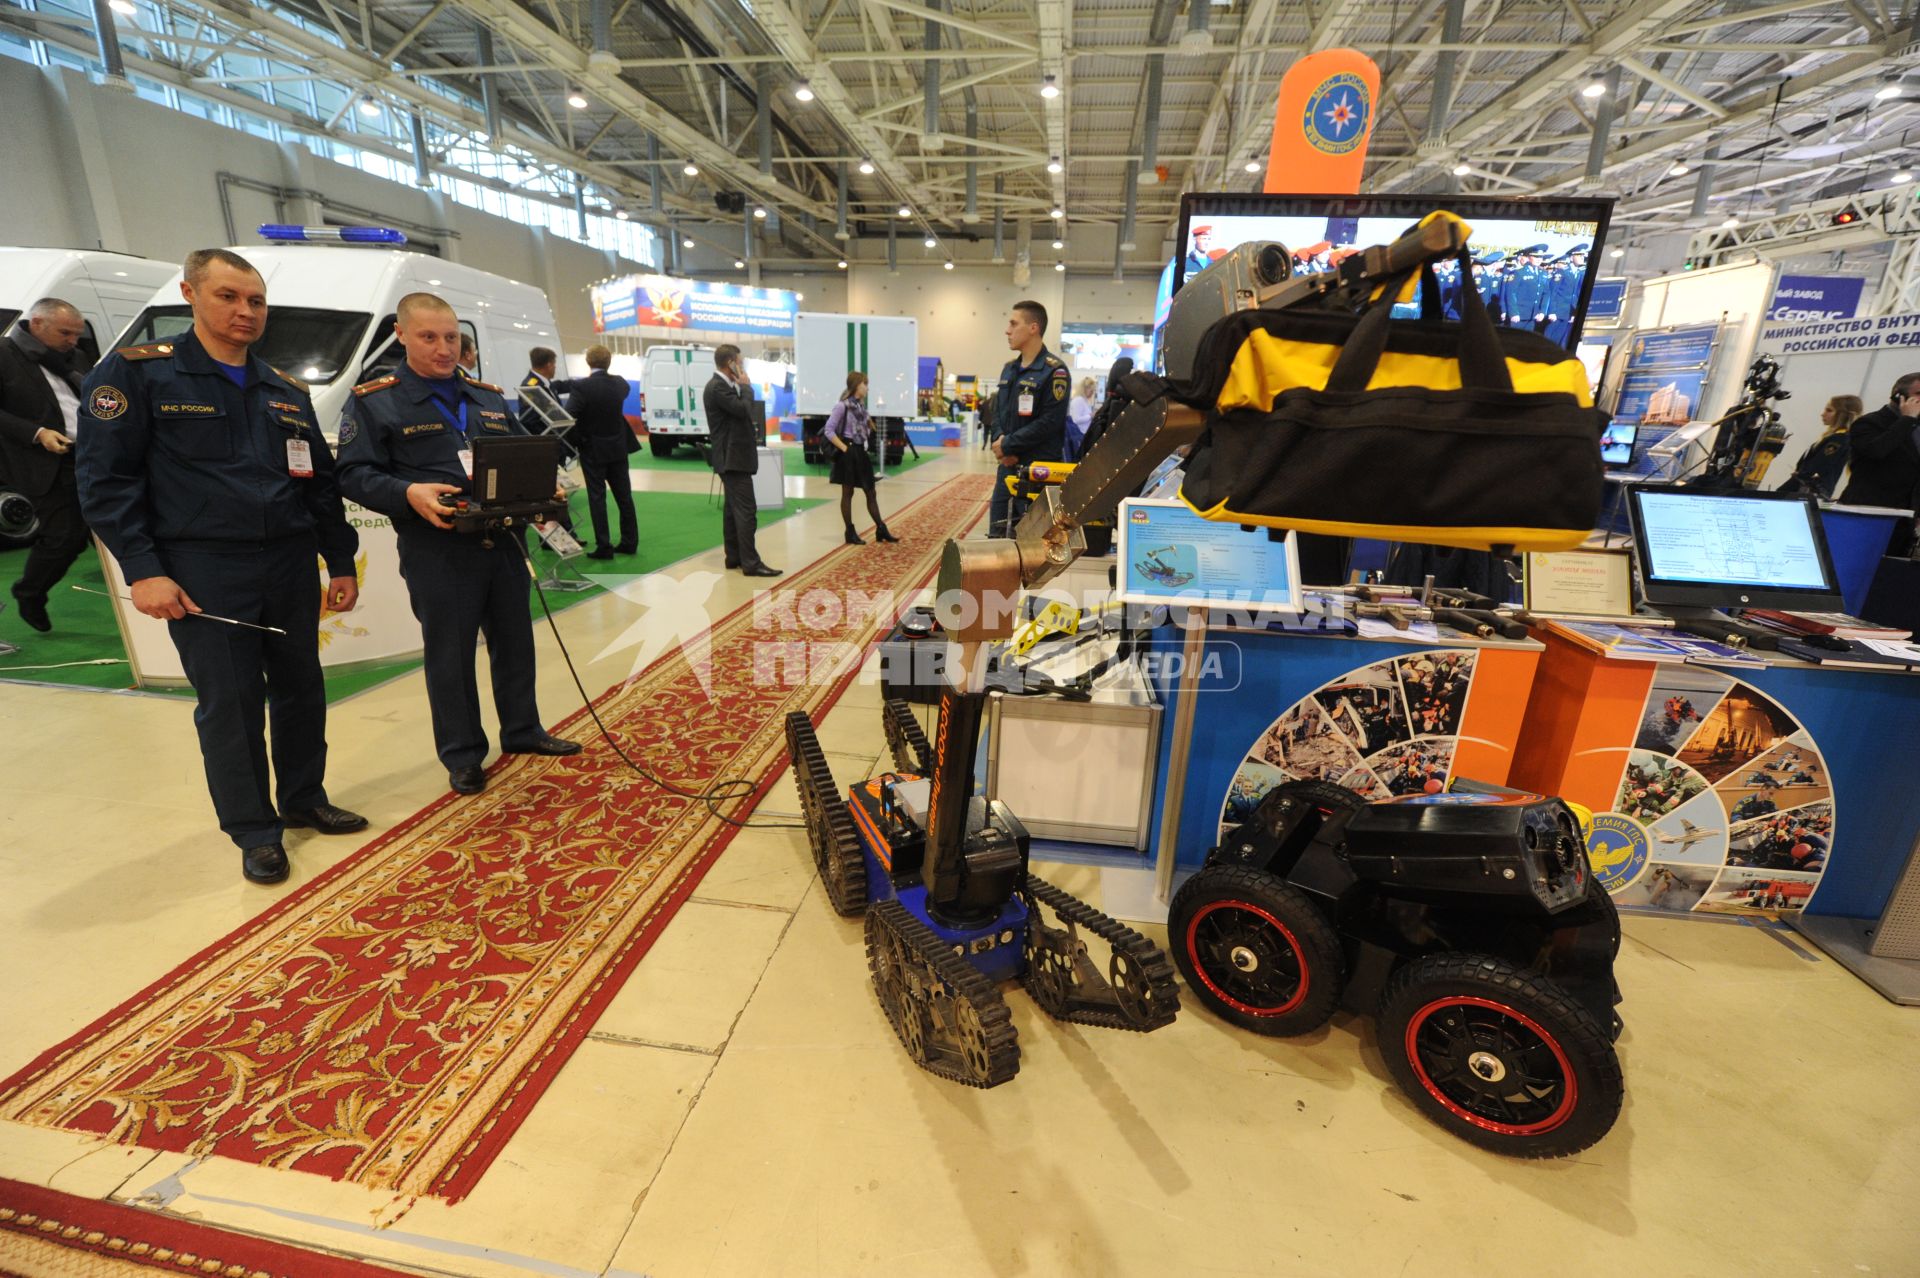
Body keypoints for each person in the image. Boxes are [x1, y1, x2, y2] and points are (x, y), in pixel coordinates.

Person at [75, 249, 366, 885]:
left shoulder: (283, 389)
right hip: (204, 567)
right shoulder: (136, 375)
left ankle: (303, 798)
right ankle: (254, 830)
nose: (245, 311)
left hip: (288, 563)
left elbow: (317, 484)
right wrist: (144, 568)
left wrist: (339, 559)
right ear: (190, 294)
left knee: (301, 689)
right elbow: (105, 483)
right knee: (231, 705)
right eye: (229, 297)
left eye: (255, 301)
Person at [337, 292, 581, 796]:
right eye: (429, 337)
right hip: (439, 549)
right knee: (449, 656)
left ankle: (523, 730)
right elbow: (352, 473)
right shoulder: (375, 400)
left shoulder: (486, 397)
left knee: (515, 643)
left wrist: (544, 482)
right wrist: (406, 492)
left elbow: (521, 452)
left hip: (504, 541)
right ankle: (464, 754)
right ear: (401, 335)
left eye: (451, 337)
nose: (444, 348)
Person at [0, 299, 93, 631]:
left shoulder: (75, 357)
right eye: (65, 332)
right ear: (36, 324)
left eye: (76, 334)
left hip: (90, 454)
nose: (72, 340)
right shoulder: (4, 354)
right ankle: (30, 593)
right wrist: (37, 433)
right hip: (42, 460)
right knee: (65, 536)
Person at [989, 300, 1071, 538]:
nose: (1007, 330)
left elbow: (1050, 422)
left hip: (1038, 471)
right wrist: (1001, 445)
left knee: (1032, 543)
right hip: (1007, 467)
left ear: (1033, 328)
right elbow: (998, 413)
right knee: (997, 537)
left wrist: (1008, 445)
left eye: (1014, 324)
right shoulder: (1009, 369)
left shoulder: (1055, 371)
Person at [703, 343, 780, 577]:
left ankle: (734, 557)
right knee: (746, 510)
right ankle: (751, 563)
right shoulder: (718, 387)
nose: (743, 366)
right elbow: (744, 410)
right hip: (732, 459)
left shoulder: (723, 386)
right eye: (741, 362)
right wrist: (746, 388)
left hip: (732, 457)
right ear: (731, 363)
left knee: (732, 510)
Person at [566, 344, 638, 559]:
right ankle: (629, 541)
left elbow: (569, 416)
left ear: (589, 362)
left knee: (597, 498)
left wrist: (579, 440)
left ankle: (604, 546)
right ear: (608, 362)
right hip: (617, 447)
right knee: (624, 497)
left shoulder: (582, 388)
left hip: (593, 450)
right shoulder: (620, 384)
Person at [1837, 372, 1920, 556]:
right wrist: (1907, 419)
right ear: (1899, 396)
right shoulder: (1868, 423)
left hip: (1902, 523)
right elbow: (1877, 451)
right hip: (1866, 517)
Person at [822, 371, 898, 546]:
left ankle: (881, 528)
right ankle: (849, 531)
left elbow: (864, 429)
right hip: (848, 453)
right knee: (848, 493)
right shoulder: (842, 406)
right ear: (857, 385)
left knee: (870, 491)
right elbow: (829, 430)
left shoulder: (861, 407)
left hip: (860, 452)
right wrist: (845, 449)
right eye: (865, 384)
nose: (867, 387)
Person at [1778, 395, 1863, 500]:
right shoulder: (1835, 437)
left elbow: (1820, 465)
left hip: (1809, 490)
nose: (1823, 414)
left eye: (1829, 410)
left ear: (1842, 415)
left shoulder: (1839, 439)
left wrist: (1803, 474)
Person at [516, 345, 580, 435]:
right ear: (549, 365)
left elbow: (563, 385)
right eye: (554, 364)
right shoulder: (531, 388)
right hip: (546, 441)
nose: (555, 367)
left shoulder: (545, 383)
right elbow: (530, 421)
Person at [1065, 376, 1097, 461]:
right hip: (1079, 435)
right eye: (1091, 390)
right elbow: (1075, 420)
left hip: (1084, 434)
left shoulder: (1085, 401)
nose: (1092, 393)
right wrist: (1090, 416)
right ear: (1085, 389)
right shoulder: (1078, 401)